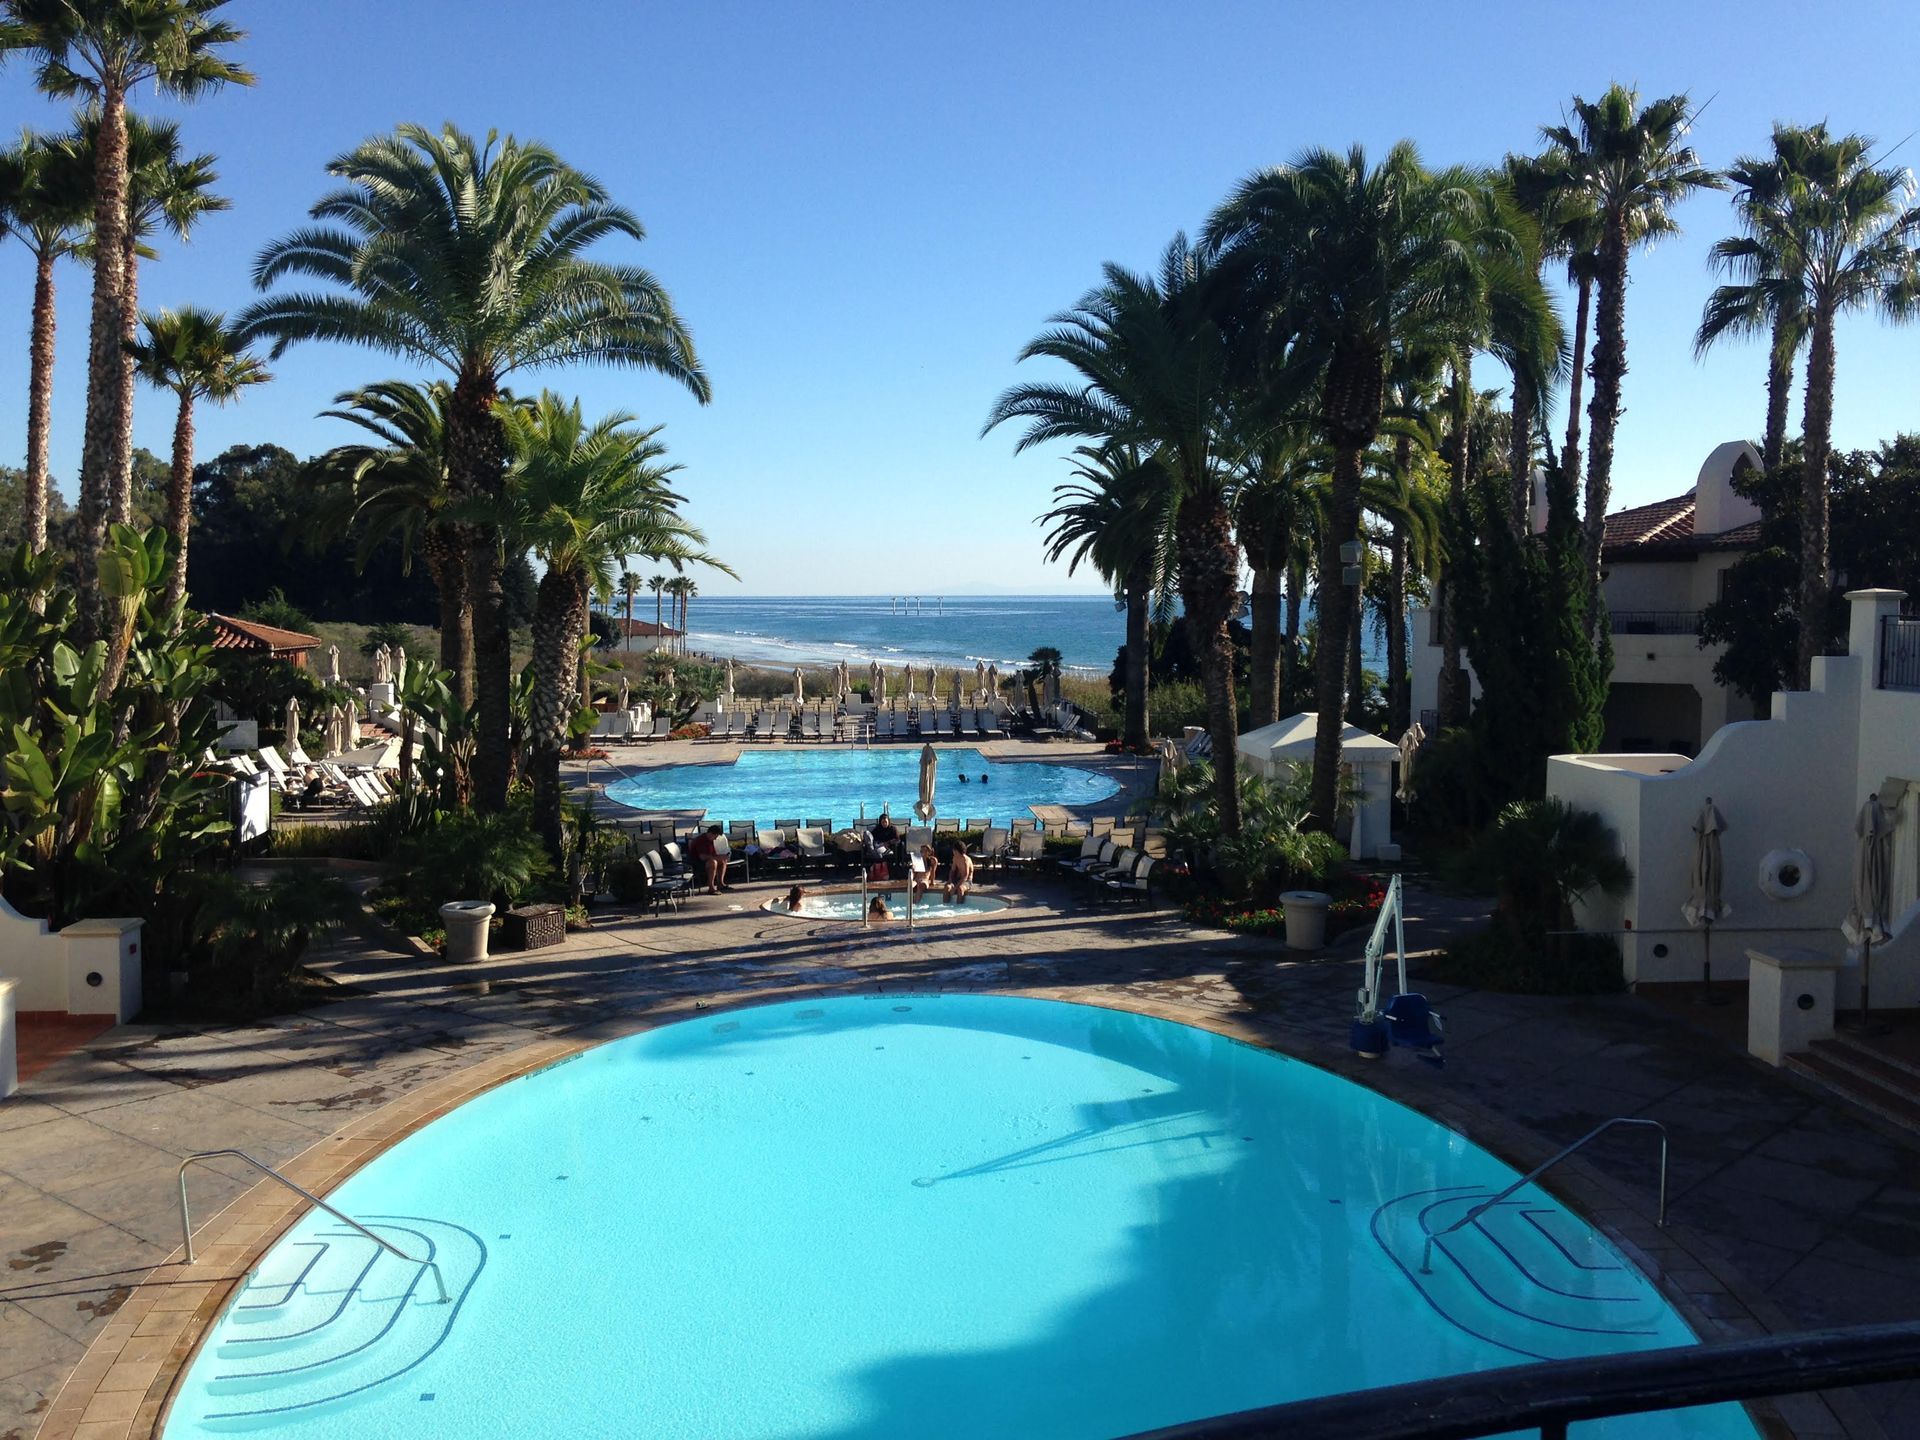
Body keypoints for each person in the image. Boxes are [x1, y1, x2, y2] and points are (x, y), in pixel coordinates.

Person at [689, 824, 727, 895]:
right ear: (711, 834)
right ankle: (711, 888)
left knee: (722, 861)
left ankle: (720, 883)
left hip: (705, 861)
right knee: (713, 862)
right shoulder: (701, 840)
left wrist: (721, 857)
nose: (715, 839)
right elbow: (702, 857)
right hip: (697, 863)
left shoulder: (710, 840)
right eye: (715, 836)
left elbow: (712, 854)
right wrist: (716, 858)